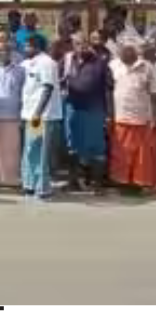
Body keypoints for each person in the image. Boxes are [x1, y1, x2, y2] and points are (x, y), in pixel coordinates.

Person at [108, 40, 156, 193]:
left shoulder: (147, 67)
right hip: (120, 116)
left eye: (129, 49)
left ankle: (138, 184)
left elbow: (153, 94)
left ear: (135, 51)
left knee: (141, 155)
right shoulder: (113, 66)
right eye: (123, 49)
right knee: (121, 153)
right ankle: (122, 183)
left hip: (141, 118)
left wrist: (154, 117)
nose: (125, 52)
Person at [63, 32, 111, 192]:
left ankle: (98, 184)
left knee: (96, 147)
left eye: (83, 42)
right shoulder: (68, 60)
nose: (81, 46)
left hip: (94, 109)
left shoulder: (100, 62)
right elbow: (59, 80)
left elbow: (108, 88)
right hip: (73, 108)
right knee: (72, 145)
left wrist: (108, 112)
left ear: (89, 43)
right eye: (77, 43)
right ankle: (73, 182)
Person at [20, 34, 60, 199]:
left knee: (40, 152)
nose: (24, 49)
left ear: (36, 46)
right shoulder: (27, 63)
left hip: (42, 116)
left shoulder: (47, 63)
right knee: (31, 150)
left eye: (27, 46)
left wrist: (37, 113)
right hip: (30, 115)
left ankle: (42, 188)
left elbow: (48, 88)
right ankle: (30, 184)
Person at [0, 31, 24, 189]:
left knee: (11, 149)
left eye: (7, 50)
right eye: (1, 50)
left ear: (11, 52)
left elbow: (22, 92)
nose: (4, 53)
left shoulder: (20, 70)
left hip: (13, 115)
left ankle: (10, 180)